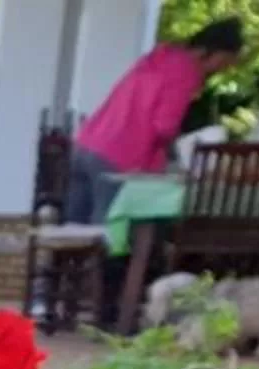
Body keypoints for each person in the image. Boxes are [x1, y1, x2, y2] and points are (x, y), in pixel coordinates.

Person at [68, 19, 246, 222]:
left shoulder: (160, 57)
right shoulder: (186, 71)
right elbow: (164, 126)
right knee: (107, 229)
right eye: (226, 61)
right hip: (120, 155)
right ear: (215, 51)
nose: (224, 68)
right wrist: (179, 150)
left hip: (88, 143)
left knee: (73, 228)